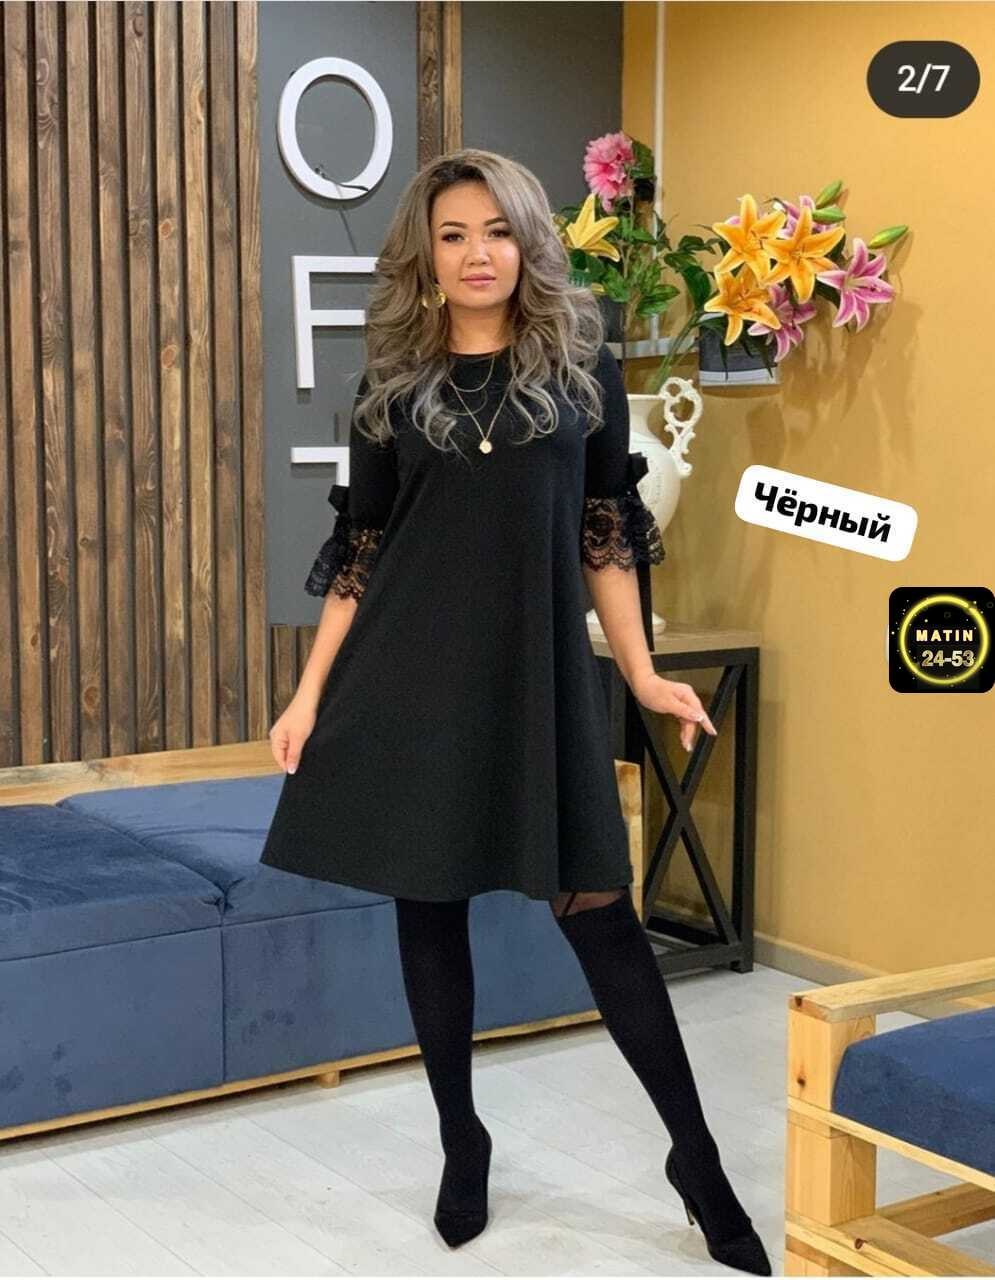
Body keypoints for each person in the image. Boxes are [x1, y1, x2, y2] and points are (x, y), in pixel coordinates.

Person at [260, 148, 771, 1275]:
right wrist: (305, 695)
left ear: (528, 240)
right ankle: (462, 1138)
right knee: (428, 909)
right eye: (451, 234)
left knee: (601, 914)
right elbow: (362, 549)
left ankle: (695, 1158)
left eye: (495, 230)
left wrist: (642, 673)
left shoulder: (582, 373)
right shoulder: (391, 386)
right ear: (425, 254)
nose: (475, 252)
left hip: (538, 683)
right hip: (407, 680)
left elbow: (605, 532)